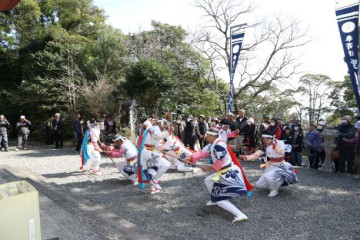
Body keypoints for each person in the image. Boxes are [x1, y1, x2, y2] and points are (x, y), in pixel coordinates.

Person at [186, 127, 253, 223]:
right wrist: (190, 158)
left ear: (212, 136)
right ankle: (214, 200)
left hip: (228, 173)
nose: (206, 137)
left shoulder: (219, 145)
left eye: (207, 136)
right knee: (208, 180)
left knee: (220, 200)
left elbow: (219, 163)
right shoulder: (212, 144)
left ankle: (240, 215)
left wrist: (208, 168)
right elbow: (202, 153)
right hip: (224, 171)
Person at [242, 130, 298, 197]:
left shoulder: (279, 143)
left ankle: (274, 190)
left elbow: (281, 152)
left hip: (280, 166)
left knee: (268, 176)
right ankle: (275, 183)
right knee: (259, 185)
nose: (263, 140)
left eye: (264, 138)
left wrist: (273, 145)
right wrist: (247, 157)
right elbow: (256, 154)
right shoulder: (265, 146)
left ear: (269, 138)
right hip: (271, 165)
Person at [138, 118, 171, 194]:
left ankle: (152, 189)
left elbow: (156, 141)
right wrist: (168, 132)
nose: (165, 126)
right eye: (164, 123)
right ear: (159, 123)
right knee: (166, 164)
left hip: (147, 151)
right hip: (149, 151)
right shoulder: (154, 128)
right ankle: (155, 180)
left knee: (153, 168)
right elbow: (157, 136)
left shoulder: (148, 130)